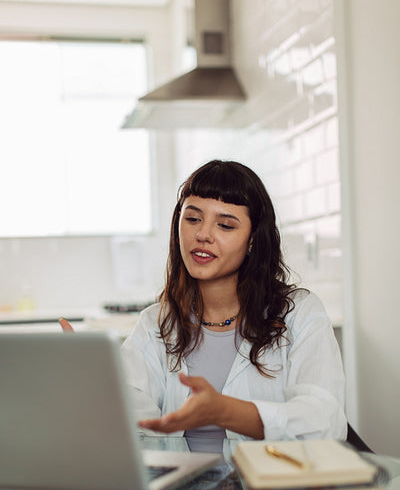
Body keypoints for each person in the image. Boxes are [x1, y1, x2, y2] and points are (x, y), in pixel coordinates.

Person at [118, 159, 347, 442]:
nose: (202, 235)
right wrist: (94, 391)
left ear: (252, 240)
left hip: (267, 485)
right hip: (179, 486)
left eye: (225, 225)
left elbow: (325, 422)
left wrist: (225, 412)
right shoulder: (156, 322)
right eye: (192, 219)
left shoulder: (300, 314)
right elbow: (134, 424)